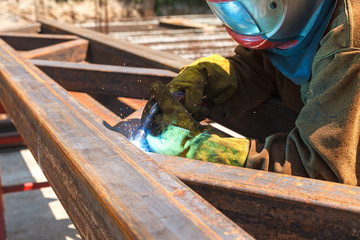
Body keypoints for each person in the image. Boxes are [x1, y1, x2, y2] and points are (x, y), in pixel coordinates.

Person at [142, 0, 360, 186]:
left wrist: (206, 150)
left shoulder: (348, 45)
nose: (243, 19)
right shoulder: (299, 18)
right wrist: (211, 80)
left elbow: (321, 171)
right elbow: (265, 65)